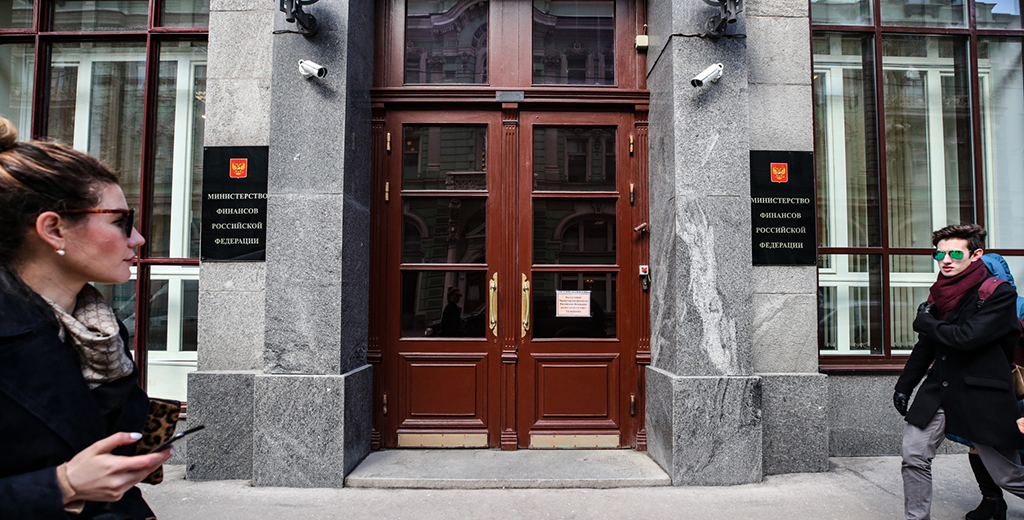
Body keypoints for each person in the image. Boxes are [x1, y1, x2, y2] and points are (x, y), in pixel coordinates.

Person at [0, 117, 173, 518]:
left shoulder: (98, 329)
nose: (138, 239)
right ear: (54, 230)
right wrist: (62, 485)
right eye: (120, 222)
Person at [894, 224, 1024, 520]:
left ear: (976, 255)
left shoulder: (998, 293)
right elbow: (927, 346)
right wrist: (904, 385)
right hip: (939, 389)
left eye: (954, 253)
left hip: (983, 394)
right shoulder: (938, 294)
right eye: (939, 254)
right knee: (914, 456)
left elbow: (967, 338)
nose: (946, 260)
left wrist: (925, 322)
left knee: (1008, 476)